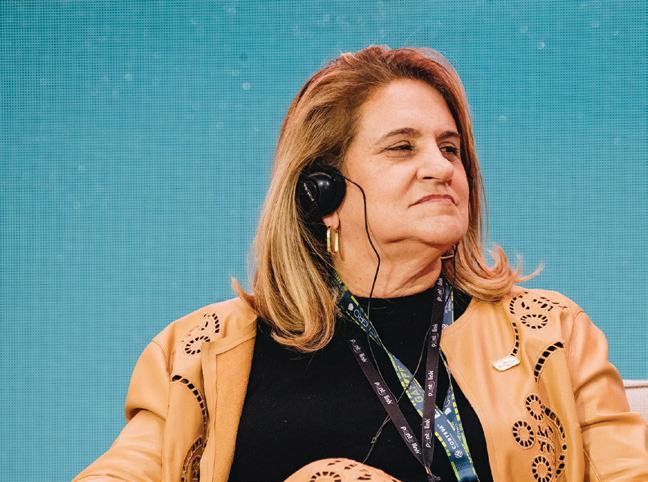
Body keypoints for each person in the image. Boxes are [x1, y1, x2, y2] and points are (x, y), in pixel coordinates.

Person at [74, 46, 648, 482]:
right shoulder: (202, 353)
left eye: (450, 148)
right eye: (403, 147)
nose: (441, 167)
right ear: (322, 192)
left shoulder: (551, 334)